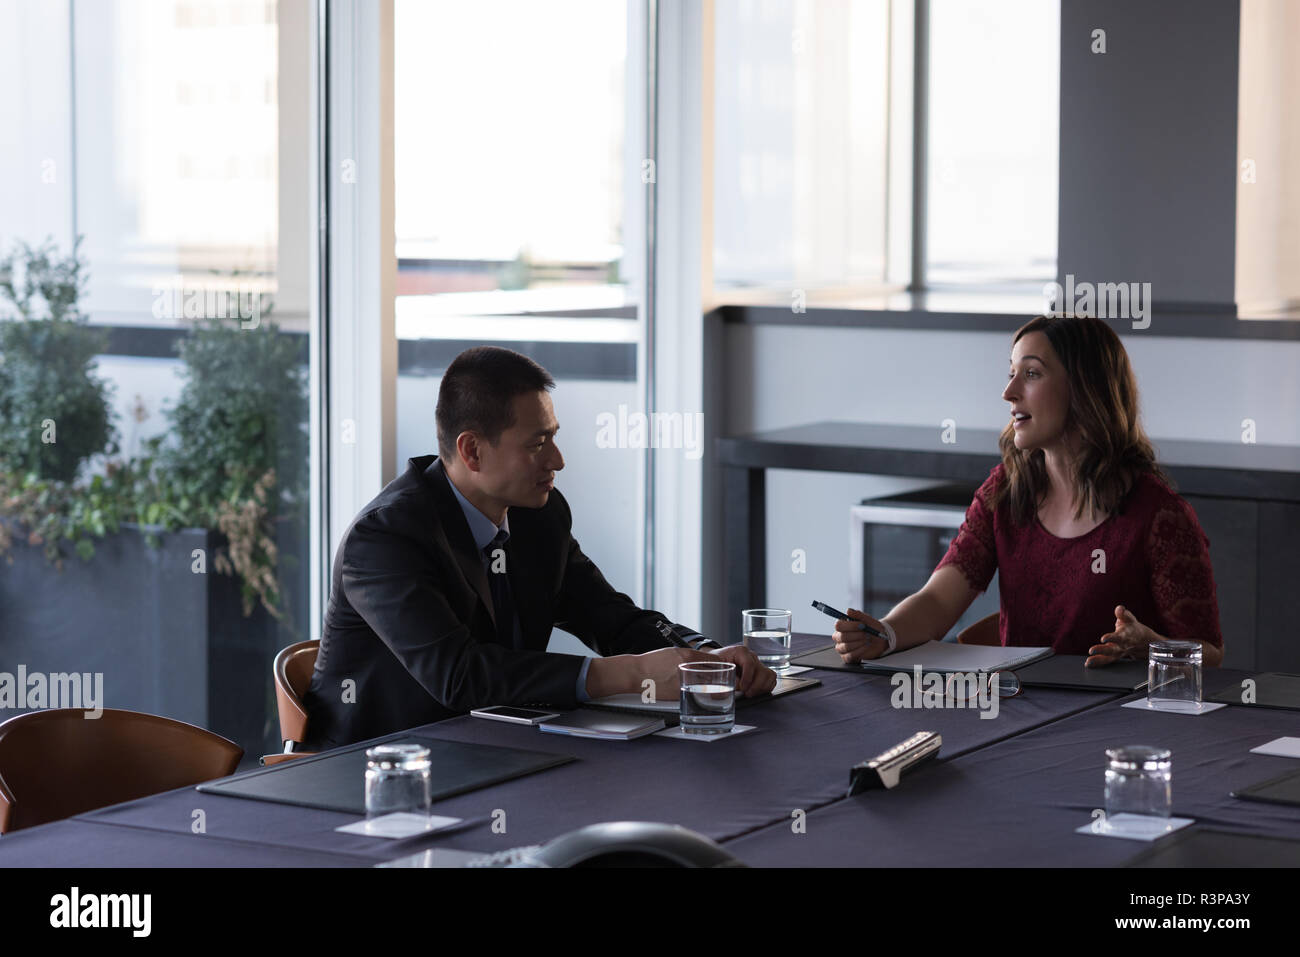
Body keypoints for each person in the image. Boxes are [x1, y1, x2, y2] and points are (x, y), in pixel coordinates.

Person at [303, 346, 774, 749]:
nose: (558, 460)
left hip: (501, 750)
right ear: (472, 451)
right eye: (538, 443)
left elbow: (610, 616)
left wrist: (704, 658)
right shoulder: (386, 537)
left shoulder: (538, 516)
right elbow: (461, 676)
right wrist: (628, 674)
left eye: (554, 437)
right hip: (377, 771)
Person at [833, 315, 1224, 669]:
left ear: (1086, 389)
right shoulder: (1004, 492)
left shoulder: (1159, 515)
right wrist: (885, 633)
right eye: (1011, 373)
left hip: (1118, 725)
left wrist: (1150, 646)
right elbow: (938, 601)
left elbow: (1210, 654)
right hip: (1020, 710)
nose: (1009, 392)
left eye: (1032, 374)